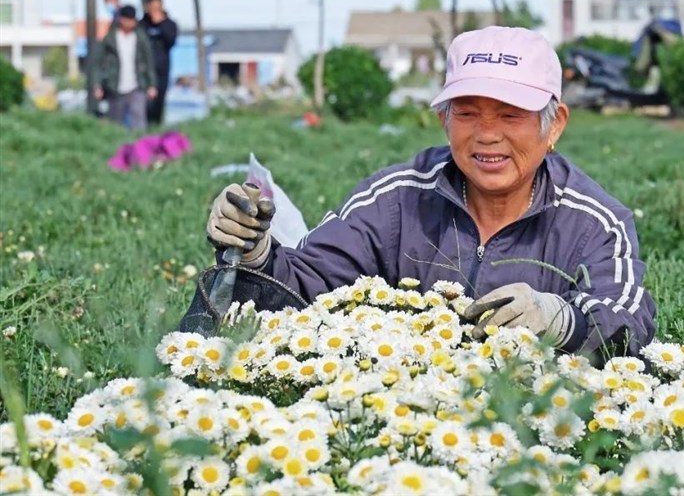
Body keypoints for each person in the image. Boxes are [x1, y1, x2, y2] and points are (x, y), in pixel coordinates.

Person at [186, 26, 657, 361]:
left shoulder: (594, 221)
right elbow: (308, 284)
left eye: (511, 116)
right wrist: (253, 251)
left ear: (554, 125)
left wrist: (560, 320)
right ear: (443, 120)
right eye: (468, 114)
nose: (487, 135)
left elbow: (629, 316)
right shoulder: (395, 198)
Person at [93, 5, 157, 131]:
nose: (130, 23)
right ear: (121, 19)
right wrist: (97, 84)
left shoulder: (141, 38)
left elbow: (148, 62)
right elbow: (98, 63)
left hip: (137, 86)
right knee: (115, 125)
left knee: (138, 123)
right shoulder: (110, 38)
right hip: (115, 87)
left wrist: (151, 84)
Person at [140, 0, 179, 125]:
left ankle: (156, 128)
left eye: (157, 7)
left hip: (162, 69)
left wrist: (161, 24)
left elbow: (171, 42)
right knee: (145, 103)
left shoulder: (170, 24)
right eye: (152, 7)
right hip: (144, 69)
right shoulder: (141, 24)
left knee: (159, 102)